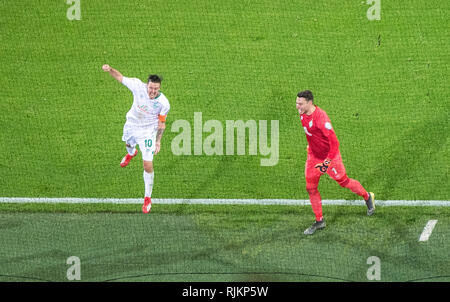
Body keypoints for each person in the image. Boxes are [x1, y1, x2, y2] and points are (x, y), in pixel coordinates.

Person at [296, 90, 375, 235]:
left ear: (309, 102)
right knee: (311, 187)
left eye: (300, 103)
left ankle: (367, 197)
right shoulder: (302, 113)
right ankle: (319, 221)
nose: (297, 106)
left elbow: (335, 143)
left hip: (330, 157)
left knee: (343, 181)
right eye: (297, 103)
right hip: (313, 156)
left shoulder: (321, 119)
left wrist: (326, 162)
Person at [102, 64, 170, 213]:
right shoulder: (137, 86)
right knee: (128, 144)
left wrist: (158, 141)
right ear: (147, 85)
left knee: (147, 164)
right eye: (151, 88)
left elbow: (162, 123)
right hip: (132, 125)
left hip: (148, 132)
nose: (152, 91)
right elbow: (120, 77)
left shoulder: (163, 103)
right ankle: (131, 153)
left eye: (156, 89)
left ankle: (147, 198)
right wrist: (110, 69)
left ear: (159, 88)